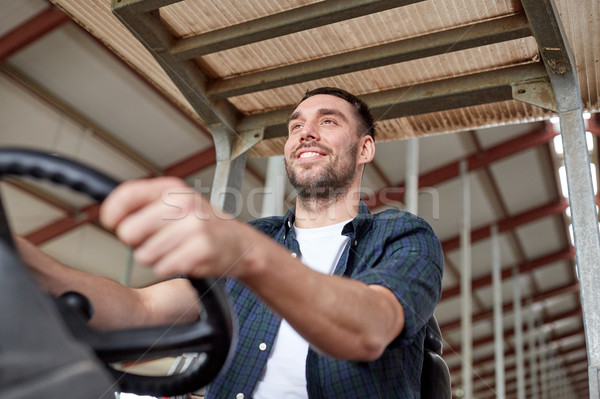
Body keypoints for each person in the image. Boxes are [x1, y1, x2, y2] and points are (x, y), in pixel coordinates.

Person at [16, 87, 444, 398]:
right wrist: (20, 259)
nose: (304, 133)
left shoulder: (403, 235)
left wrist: (253, 257)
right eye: (296, 126)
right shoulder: (258, 235)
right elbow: (140, 309)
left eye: (327, 122)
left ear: (365, 148)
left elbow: (370, 330)